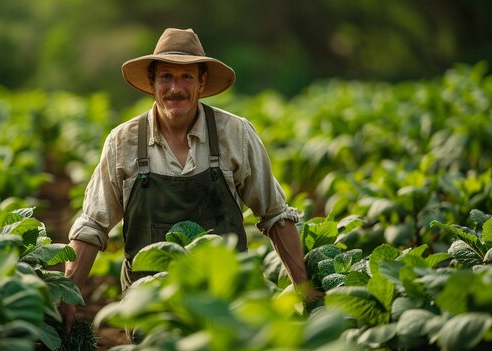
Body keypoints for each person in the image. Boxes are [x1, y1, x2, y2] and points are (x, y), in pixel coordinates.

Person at [59, 27, 324, 329]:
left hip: (225, 303)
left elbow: (276, 215)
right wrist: (67, 295)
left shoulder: (235, 134)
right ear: (152, 82)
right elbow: (92, 226)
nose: (176, 88)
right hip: (151, 305)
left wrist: (302, 290)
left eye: (186, 77)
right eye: (166, 77)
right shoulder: (123, 142)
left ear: (202, 82)